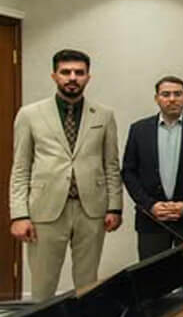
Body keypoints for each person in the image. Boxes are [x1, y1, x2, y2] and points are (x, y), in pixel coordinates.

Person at [9, 49, 122, 300]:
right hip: (45, 210)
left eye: (79, 73)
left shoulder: (104, 115)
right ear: (54, 76)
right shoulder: (30, 114)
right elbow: (20, 168)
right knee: (43, 284)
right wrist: (19, 215)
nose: (72, 78)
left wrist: (115, 207)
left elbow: (111, 165)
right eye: (66, 72)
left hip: (91, 210)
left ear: (88, 77)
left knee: (88, 282)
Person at [122, 76, 183, 260]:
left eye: (177, 94)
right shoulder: (139, 129)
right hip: (152, 219)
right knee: (154, 272)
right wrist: (150, 205)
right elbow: (129, 172)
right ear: (156, 98)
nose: (172, 99)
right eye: (166, 94)